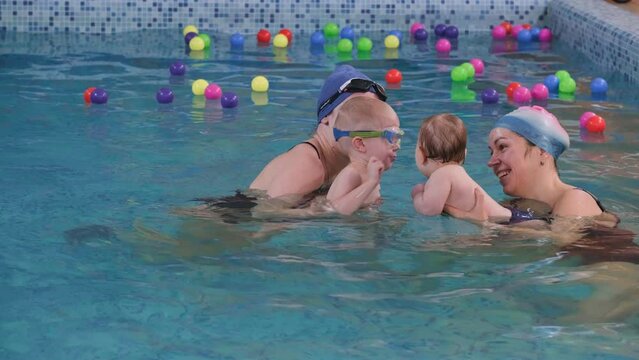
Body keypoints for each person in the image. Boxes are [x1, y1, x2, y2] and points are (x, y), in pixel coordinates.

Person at [446, 105, 619, 227]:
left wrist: (488, 223)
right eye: (491, 152)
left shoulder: (576, 199)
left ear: (542, 150)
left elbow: (559, 242)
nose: (491, 162)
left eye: (503, 147)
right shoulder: (513, 207)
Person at [249, 64, 388, 204]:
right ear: (326, 117)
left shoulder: (353, 163)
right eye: (355, 113)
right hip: (236, 217)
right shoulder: (308, 163)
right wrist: (337, 204)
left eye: (372, 117)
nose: (365, 125)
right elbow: (267, 214)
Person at [410, 113, 511, 221]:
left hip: (501, 223)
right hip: (508, 217)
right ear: (464, 154)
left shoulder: (441, 175)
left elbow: (429, 211)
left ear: (422, 154)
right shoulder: (455, 172)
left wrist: (418, 194)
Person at [326, 96, 402, 215]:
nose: (397, 146)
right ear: (360, 144)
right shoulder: (352, 173)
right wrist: (370, 183)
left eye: (398, 137)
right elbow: (336, 209)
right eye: (390, 137)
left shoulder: (369, 172)